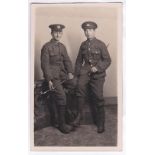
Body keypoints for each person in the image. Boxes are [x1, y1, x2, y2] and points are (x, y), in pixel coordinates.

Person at [73, 21, 111, 133]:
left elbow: (107, 60)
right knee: (79, 87)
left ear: (94, 31)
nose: (87, 32)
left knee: (98, 97)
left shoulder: (101, 44)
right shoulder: (83, 45)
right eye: (85, 30)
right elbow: (79, 61)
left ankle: (100, 123)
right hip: (86, 72)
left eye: (90, 30)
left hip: (97, 75)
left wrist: (98, 67)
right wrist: (77, 74)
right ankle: (79, 117)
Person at [41, 24, 75, 134]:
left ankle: (69, 117)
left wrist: (70, 72)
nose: (58, 34)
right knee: (61, 96)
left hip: (63, 75)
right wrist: (49, 80)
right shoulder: (46, 47)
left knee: (77, 85)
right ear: (51, 33)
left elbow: (67, 61)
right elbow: (45, 65)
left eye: (60, 33)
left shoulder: (62, 46)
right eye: (55, 32)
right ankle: (61, 124)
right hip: (53, 77)